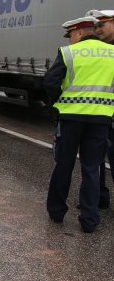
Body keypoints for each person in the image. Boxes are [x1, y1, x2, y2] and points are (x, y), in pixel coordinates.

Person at [45, 16, 114, 233]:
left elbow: (50, 81)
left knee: (64, 164)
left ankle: (57, 212)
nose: (71, 39)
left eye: (72, 35)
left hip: (71, 119)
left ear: (81, 33)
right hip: (101, 120)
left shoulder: (69, 53)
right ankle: (89, 220)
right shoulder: (112, 53)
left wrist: (57, 103)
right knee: (92, 168)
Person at [86, 9, 114, 208]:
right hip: (98, 116)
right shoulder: (99, 50)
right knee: (95, 162)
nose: (97, 30)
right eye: (95, 26)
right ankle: (99, 199)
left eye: (102, 25)